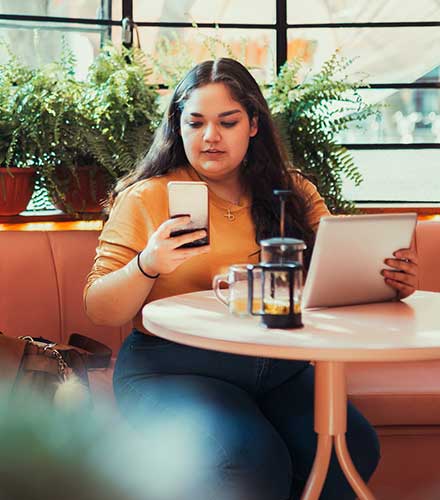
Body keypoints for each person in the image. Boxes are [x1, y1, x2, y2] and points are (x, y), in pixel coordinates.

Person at [84, 58, 418, 500]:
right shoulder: (146, 197)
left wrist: (391, 277)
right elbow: (99, 307)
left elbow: (343, 269)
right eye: (196, 122)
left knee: (352, 448)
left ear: (254, 125)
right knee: (249, 458)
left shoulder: (292, 193)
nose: (210, 137)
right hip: (172, 368)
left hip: (280, 366)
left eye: (228, 121)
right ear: (177, 127)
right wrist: (147, 263)